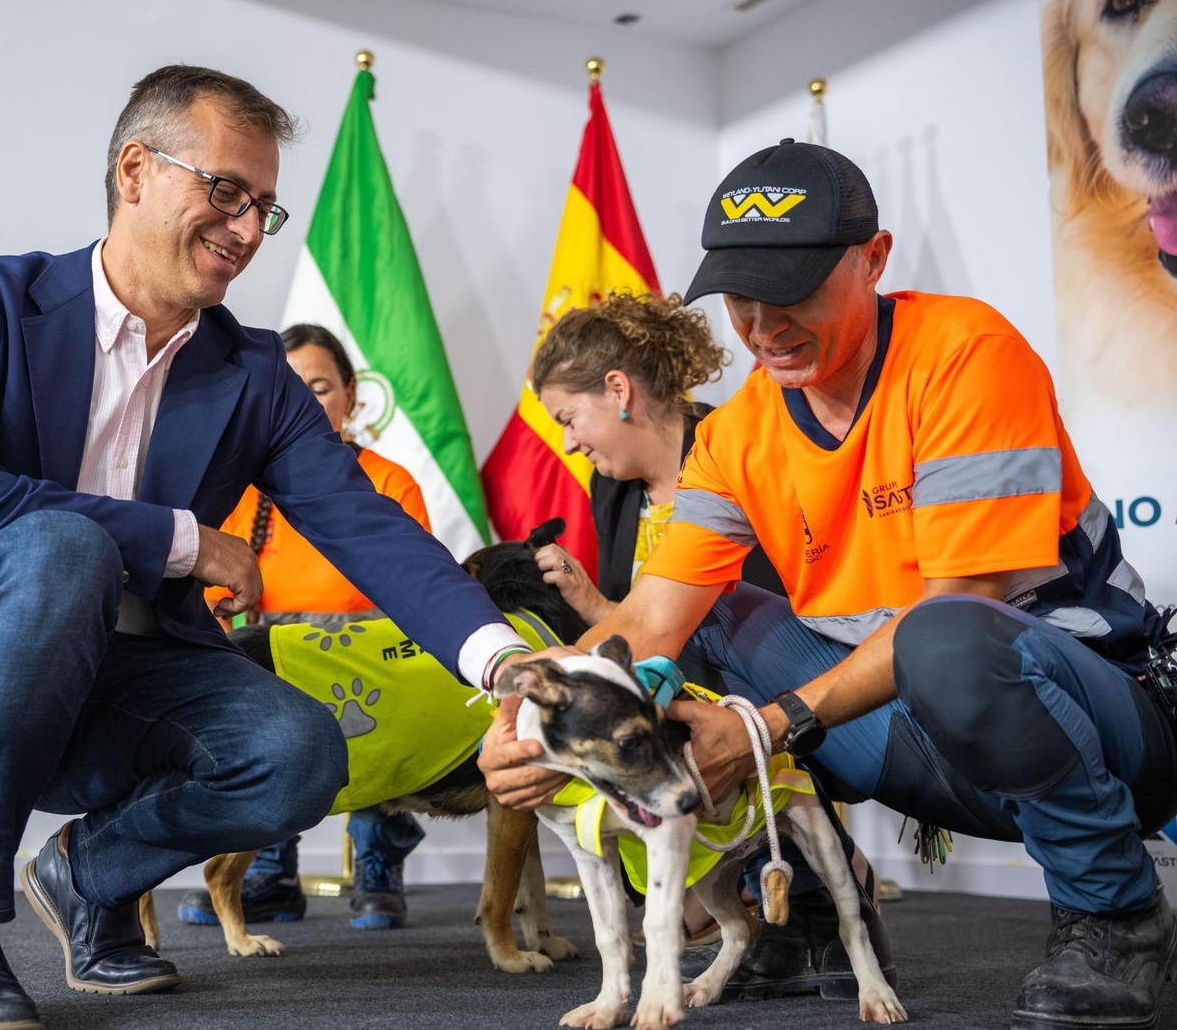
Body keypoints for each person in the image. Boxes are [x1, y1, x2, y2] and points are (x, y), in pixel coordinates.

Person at [0, 65, 534, 1030]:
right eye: (226, 192)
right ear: (135, 170)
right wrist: (186, 541)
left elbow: (365, 526)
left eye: (264, 209)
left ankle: (88, 875)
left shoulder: (257, 373)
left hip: (126, 677)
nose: (245, 231)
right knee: (59, 548)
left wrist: (505, 661)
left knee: (301, 753)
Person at [479, 138, 1177, 1030]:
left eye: (794, 289)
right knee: (707, 622)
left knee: (948, 635)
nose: (765, 325)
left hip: (1102, 721)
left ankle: (1116, 912)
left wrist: (762, 725)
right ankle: (810, 916)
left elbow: (960, 603)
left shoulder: (965, 352)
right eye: (741, 297)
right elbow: (649, 617)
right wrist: (523, 721)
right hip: (915, 728)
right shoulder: (734, 436)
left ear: (873, 258)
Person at [523, 291, 881, 967]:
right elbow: (645, 627)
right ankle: (756, 893)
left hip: (791, 682)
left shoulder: (738, 445)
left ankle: (814, 890)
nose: (569, 442)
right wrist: (590, 606)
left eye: (570, 418)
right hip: (685, 688)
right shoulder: (613, 489)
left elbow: (768, 610)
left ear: (619, 391)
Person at [184, 322, 431, 930]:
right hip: (274, 659)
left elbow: (415, 594)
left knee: (385, 712)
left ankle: (377, 862)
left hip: (365, 658)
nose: (306, 402)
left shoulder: (392, 482)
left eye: (320, 387)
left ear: (352, 396)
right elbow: (217, 599)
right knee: (259, 717)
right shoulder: (240, 494)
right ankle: (269, 869)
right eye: (292, 389)